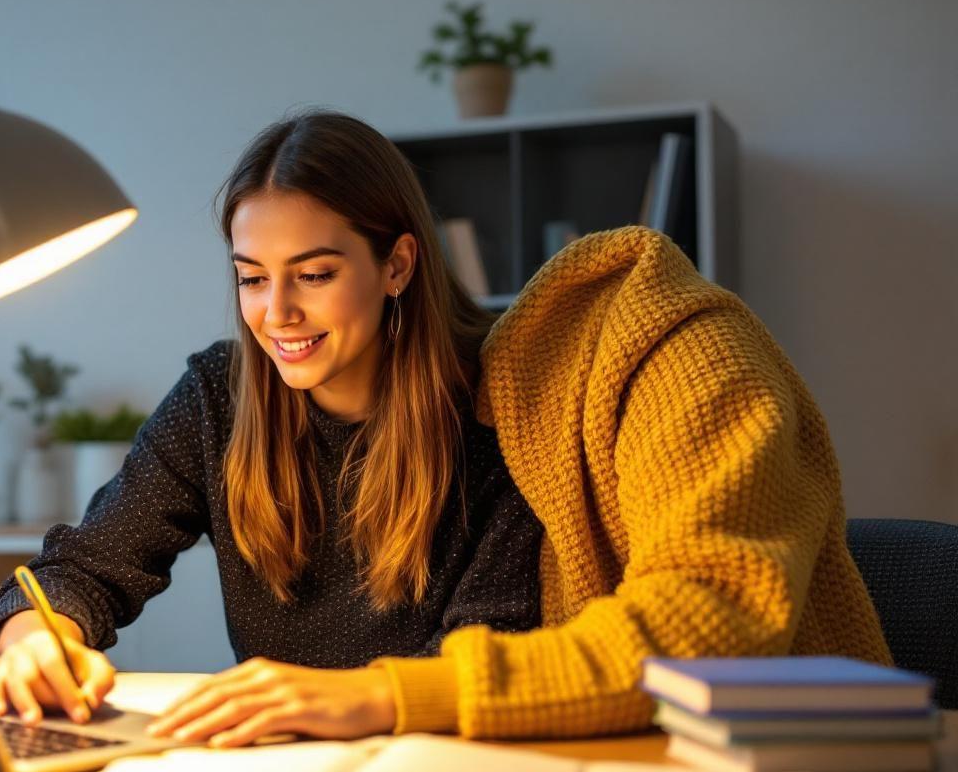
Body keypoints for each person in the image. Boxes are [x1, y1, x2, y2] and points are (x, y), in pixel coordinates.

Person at [145, 217, 893, 745]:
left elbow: (707, 630)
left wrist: (389, 691)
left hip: (799, 770)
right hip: (631, 755)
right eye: (253, 277)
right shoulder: (517, 387)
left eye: (315, 273)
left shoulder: (689, 358)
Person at [0, 111, 546, 743]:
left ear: (398, 266)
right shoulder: (219, 397)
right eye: (252, 278)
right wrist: (34, 639)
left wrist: (347, 701)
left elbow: (493, 659)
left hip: (438, 771)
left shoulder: (500, 410)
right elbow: (85, 567)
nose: (278, 314)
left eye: (315, 274)